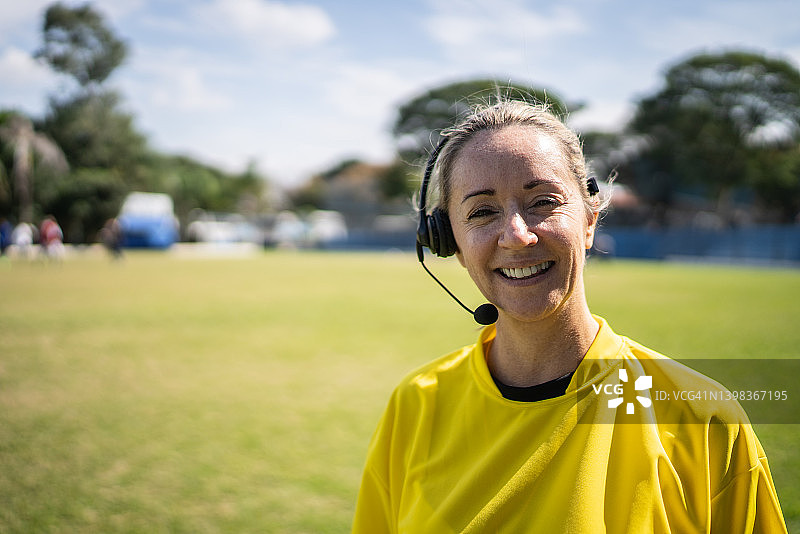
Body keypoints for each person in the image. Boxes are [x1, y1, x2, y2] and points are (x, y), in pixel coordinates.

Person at [352, 100, 787, 533]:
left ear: (590, 220)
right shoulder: (414, 406)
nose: (518, 236)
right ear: (451, 244)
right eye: (482, 212)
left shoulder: (701, 418)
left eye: (543, 201)